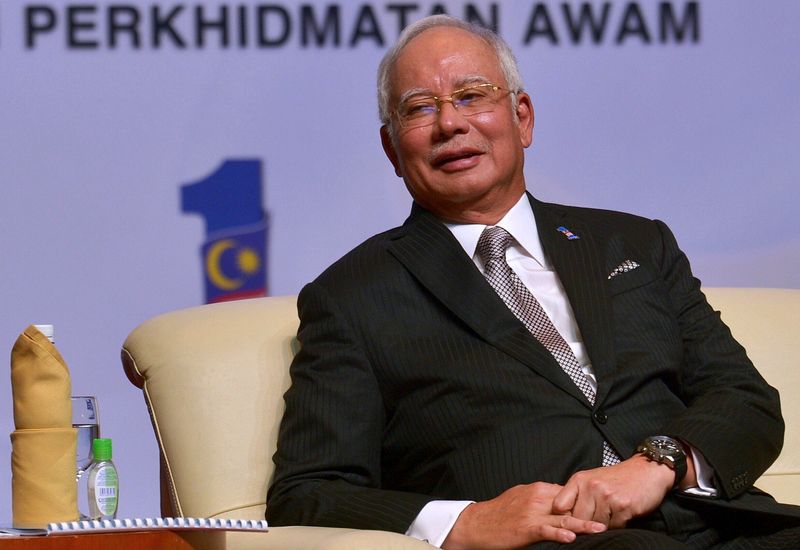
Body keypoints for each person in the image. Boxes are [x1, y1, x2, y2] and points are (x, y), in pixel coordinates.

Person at [267, 14, 800, 549]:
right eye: (420, 107)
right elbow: (308, 492)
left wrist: (660, 462)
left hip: (732, 524)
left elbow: (745, 399)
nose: (450, 123)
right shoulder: (351, 296)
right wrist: (467, 521)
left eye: (473, 95)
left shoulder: (635, 242)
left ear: (522, 118)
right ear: (391, 149)